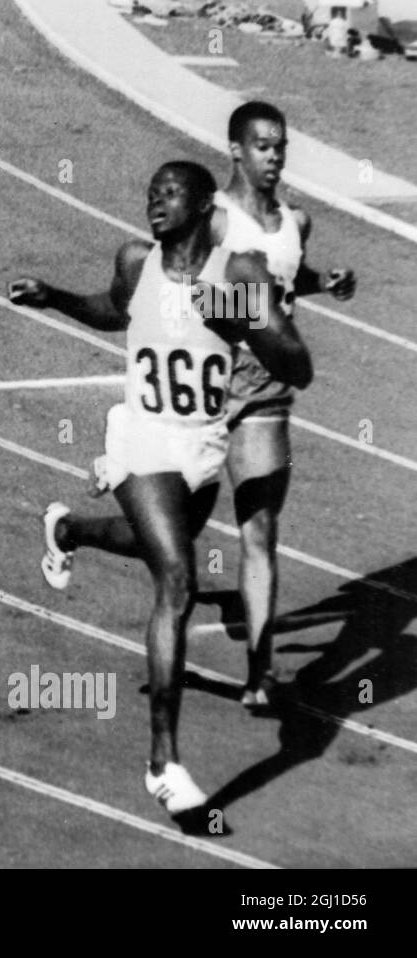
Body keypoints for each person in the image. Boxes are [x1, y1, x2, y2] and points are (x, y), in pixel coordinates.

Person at [8, 161, 313, 816]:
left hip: (202, 449)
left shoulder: (238, 274)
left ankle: (70, 530)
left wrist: (245, 321)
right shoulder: (135, 258)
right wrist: (56, 296)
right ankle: (163, 764)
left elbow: (299, 364)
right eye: (151, 193)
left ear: (205, 206)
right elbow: (113, 308)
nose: (156, 202)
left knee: (150, 547)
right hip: (142, 439)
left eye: (171, 193)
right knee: (176, 580)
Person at [211, 101, 354, 708]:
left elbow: (285, 279)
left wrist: (328, 283)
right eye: (263, 146)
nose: (274, 157)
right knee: (165, 537)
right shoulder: (210, 219)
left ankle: (259, 674)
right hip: (204, 385)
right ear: (237, 150)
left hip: (266, 392)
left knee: (259, 531)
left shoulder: (297, 220)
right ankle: (74, 530)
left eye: (282, 147)